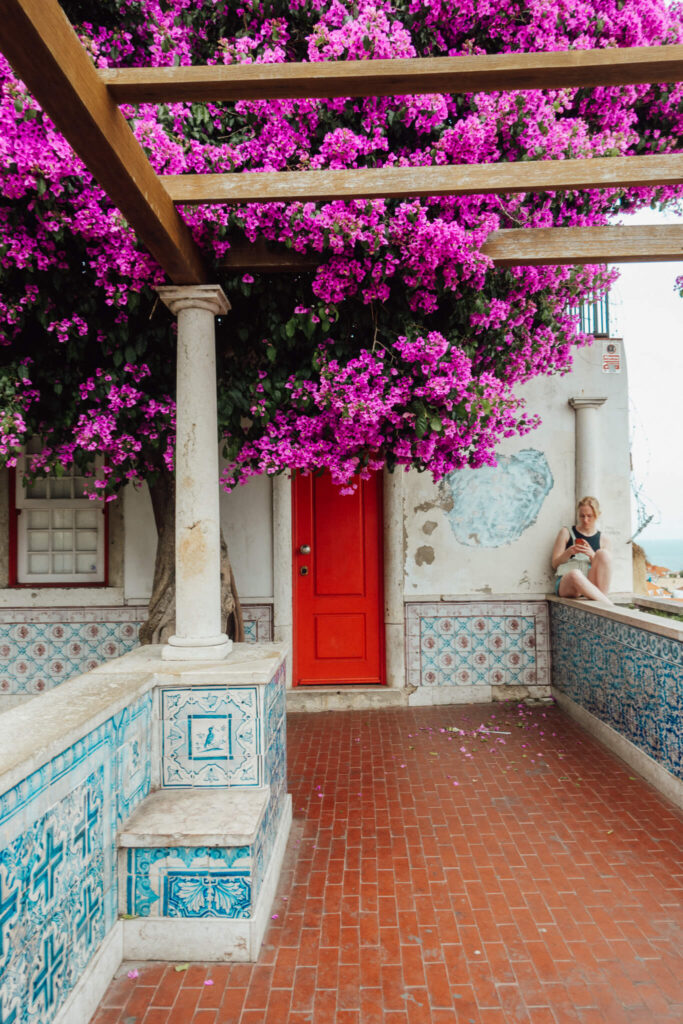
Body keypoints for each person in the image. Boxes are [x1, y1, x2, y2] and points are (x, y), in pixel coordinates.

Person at [551, 496, 612, 603]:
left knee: (603, 554)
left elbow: (604, 569)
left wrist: (592, 555)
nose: (585, 520)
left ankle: (602, 598)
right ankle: (608, 604)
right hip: (568, 583)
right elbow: (554, 564)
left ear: (597, 515)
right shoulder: (566, 532)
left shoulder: (603, 539)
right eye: (582, 516)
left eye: (590, 516)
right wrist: (569, 552)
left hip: (590, 585)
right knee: (575, 573)